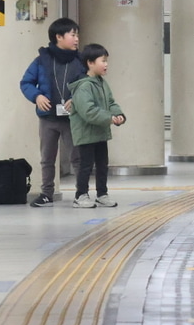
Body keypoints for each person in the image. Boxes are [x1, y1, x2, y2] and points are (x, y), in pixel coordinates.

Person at [19, 17, 86, 206]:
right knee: (47, 158)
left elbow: (90, 85)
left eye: (77, 35)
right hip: (48, 118)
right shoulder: (41, 60)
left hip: (73, 118)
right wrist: (37, 96)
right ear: (59, 36)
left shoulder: (81, 61)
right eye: (72, 35)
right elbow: (26, 82)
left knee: (78, 157)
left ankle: (82, 193)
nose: (76, 39)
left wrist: (77, 99)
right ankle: (47, 194)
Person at [66, 43, 125, 209]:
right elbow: (89, 112)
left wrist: (118, 114)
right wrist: (110, 118)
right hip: (86, 134)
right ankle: (81, 195)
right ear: (90, 63)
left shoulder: (102, 83)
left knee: (102, 165)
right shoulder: (84, 87)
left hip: (100, 132)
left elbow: (111, 102)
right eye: (103, 60)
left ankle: (102, 194)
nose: (106, 64)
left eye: (107, 61)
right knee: (85, 166)